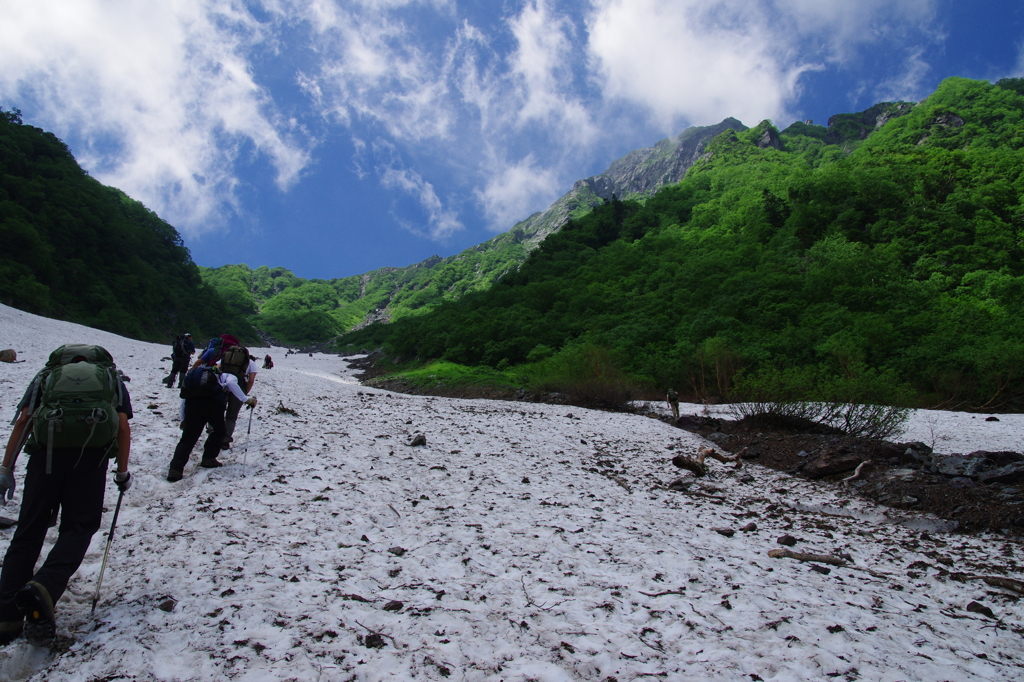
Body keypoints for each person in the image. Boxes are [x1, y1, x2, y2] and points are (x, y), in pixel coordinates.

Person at [0, 345, 132, 647]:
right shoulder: (111, 379)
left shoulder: (46, 376)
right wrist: (121, 472)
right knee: (79, 527)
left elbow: (24, 421)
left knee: (28, 531)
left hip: (44, 459)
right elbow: (122, 426)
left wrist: (6, 468)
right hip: (90, 461)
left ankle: (5, 619)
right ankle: (43, 586)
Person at [167, 365, 255, 481]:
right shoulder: (230, 377)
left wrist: (183, 419)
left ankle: (175, 469)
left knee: (188, 438)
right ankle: (209, 458)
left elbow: (185, 400)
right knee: (219, 431)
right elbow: (232, 384)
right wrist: (246, 399)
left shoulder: (200, 382)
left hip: (192, 406)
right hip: (213, 405)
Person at [219, 349, 258, 451]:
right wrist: (245, 393)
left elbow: (217, 368)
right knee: (231, 416)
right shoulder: (251, 363)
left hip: (222, 387)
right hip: (239, 388)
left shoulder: (226, 358)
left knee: (218, 412)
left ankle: (213, 434)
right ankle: (225, 440)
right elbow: (251, 380)